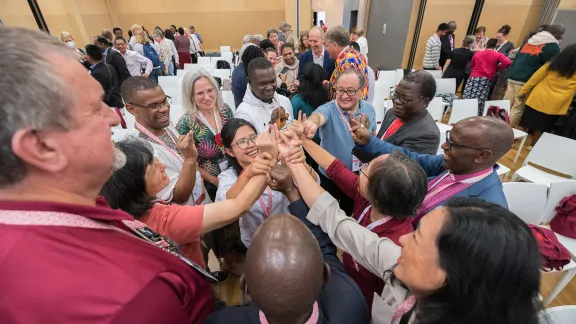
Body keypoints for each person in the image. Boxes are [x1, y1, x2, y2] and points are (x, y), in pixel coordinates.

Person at [0, 26, 215, 323]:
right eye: (92, 109)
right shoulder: (126, 296)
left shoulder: (79, 208)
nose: (111, 119)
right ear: (41, 146)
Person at [286, 146, 542, 324]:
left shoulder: (398, 247)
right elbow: (339, 223)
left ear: (449, 274)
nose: (405, 240)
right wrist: (295, 163)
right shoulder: (401, 264)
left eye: (418, 240)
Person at [300, 129, 427, 311]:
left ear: (377, 197)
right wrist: (303, 140)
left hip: (360, 305)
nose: (361, 170)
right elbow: (335, 168)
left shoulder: (396, 245)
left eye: (366, 169)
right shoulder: (370, 200)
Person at [101, 138, 273, 269]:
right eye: (153, 168)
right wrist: (270, 159)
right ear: (134, 185)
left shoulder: (124, 215)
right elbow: (238, 207)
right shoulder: (165, 221)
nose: (162, 166)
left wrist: (248, 172)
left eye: (156, 160)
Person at [351, 116, 513, 225]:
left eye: (453, 143)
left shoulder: (489, 212)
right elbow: (410, 158)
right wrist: (369, 142)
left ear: (481, 155)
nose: (444, 146)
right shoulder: (455, 165)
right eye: (448, 138)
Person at [121, 77, 208, 206]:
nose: (164, 109)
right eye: (153, 106)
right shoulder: (140, 150)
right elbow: (179, 195)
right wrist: (190, 158)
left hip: (201, 203)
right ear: (131, 110)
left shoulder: (165, 125)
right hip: (184, 217)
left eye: (164, 101)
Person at [301, 69, 376, 215]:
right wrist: (311, 123)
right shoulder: (329, 109)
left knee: (350, 214)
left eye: (350, 91)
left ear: (361, 91)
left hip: (356, 177)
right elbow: (318, 116)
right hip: (330, 177)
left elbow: (374, 134)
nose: (344, 96)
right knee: (326, 215)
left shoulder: (369, 109)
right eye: (340, 90)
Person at [177, 69, 235, 201]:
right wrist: (215, 181)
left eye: (210, 90)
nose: (207, 97)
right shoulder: (186, 123)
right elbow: (186, 162)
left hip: (233, 175)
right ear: (191, 96)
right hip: (208, 185)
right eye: (200, 93)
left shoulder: (225, 110)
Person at [505, 24, 565, 128]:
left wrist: (509, 74)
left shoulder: (530, 41)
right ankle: (506, 132)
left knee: (505, 105)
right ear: (556, 35)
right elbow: (553, 66)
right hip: (526, 80)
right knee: (518, 108)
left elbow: (517, 58)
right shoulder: (552, 46)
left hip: (513, 76)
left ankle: (496, 128)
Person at [518, 43, 576, 147]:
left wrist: (523, 91)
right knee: (541, 130)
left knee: (523, 124)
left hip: (537, 99)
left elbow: (534, 78)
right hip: (555, 106)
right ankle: (531, 148)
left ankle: (511, 144)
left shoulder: (551, 65)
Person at [377, 71, 440, 154]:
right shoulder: (391, 113)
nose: (396, 101)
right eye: (396, 94)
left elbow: (400, 164)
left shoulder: (427, 135)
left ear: (424, 102)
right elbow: (379, 142)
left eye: (405, 98)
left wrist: (368, 141)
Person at [235, 58, 294, 134]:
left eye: (272, 81)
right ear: (249, 82)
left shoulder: (285, 101)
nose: (269, 87)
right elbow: (248, 145)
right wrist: (273, 129)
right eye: (263, 84)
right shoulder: (243, 114)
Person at [463, 38, 511, 115]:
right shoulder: (498, 54)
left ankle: (464, 112)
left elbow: (472, 65)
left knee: (468, 96)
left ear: (486, 45)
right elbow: (507, 63)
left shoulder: (478, 53)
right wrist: (496, 67)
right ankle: (476, 116)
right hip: (485, 79)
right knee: (480, 99)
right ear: (495, 47)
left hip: (473, 78)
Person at [325, 25, 369, 100]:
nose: (326, 49)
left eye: (327, 45)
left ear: (335, 45)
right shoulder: (357, 55)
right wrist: (330, 85)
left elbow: (347, 96)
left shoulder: (347, 63)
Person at [85, 44, 124, 108]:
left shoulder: (96, 73)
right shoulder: (109, 66)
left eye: (86, 55)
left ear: (89, 57)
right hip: (118, 100)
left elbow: (99, 94)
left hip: (111, 106)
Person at [490, 25, 515, 100]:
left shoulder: (510, 45)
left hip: (500, 72)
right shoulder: (494, 43)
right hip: (491, 68)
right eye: (496, 37)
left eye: (499, 38)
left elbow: (510, 57)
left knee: (494, 89)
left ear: (505, 36)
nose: (497, 39)